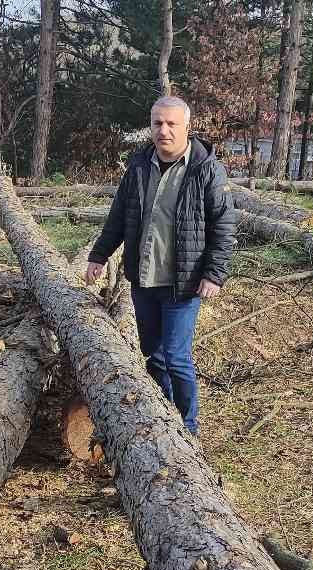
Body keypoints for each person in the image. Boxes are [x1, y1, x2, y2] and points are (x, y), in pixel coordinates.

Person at [84, 96, 235, 436]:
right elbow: (119, 216)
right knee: (153, 354)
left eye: (171, 124)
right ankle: (163, 419)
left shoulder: (205, 169)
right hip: (144, 278)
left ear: (186, 127)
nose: (163, 130)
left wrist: (214, 273)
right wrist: (99, 254)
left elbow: (224, 227)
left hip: (184, 281)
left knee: (176, 359)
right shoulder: (139, 166)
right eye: (157, 123)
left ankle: (188, 429)